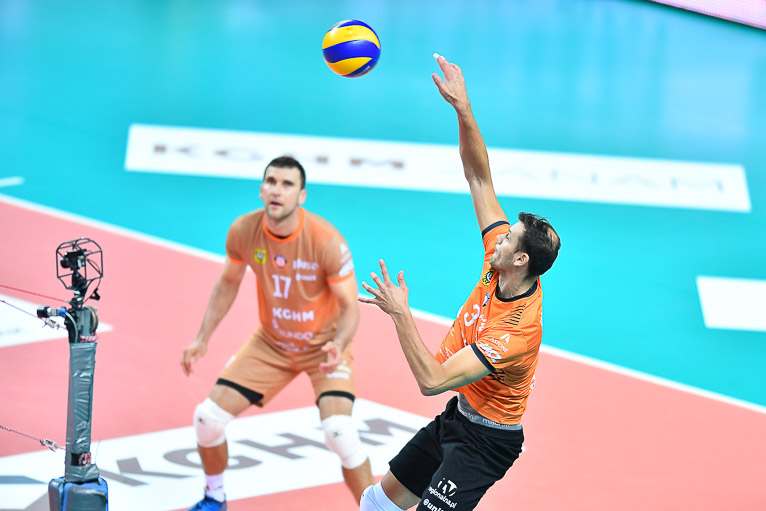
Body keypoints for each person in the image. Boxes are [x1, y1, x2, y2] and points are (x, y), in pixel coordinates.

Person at [357, 54, 561, 511]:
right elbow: (478, 177)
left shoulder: (514, 332)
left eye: (508, 238)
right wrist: (463, 108)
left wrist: (400, 313)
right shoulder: (499, 263)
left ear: (521, 259)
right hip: (460, 417)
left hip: (487, 443)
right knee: (376, 503)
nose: (498, 236)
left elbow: (431, 381)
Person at [181, 156, 374, 511]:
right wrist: (202, 337)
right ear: (261, 189)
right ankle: (214, 497)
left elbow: (350, 306)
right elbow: (228, 282)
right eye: (271, 181)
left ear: (301, 196)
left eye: (287, 184)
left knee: (339, 432)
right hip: (271, 343)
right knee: (206, 420)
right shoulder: (244, 230)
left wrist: (339, 344)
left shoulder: (326, 241)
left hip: (324, 347)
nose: (277, 190)